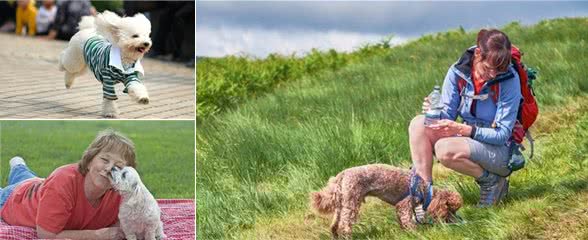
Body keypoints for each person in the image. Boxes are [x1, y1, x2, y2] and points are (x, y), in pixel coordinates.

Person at [407, 29, 522, 210]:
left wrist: (463, 130)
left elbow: (502, 134)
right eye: (488, 68)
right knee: (418, 124)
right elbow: (446, 117)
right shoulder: (457, 72)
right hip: (470, 140)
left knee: (445, 149)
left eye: (499, 70)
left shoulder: (510, 79)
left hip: (501, 151)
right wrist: (433, 111)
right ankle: (424, 198)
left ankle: (493, 182)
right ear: (477, 54)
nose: (493, 75)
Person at [0, 130, 136, 239]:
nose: (109, 169)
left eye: (118, 166)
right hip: (14, 199)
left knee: (29, 178)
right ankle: (18, 167)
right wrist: (97, 235)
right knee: (20, 183)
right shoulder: (63, 182)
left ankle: (19, 167)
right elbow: (47, 235)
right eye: (105, 159)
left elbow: (124, 224)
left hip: (40, 185)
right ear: (89, 161)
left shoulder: (123, 191)